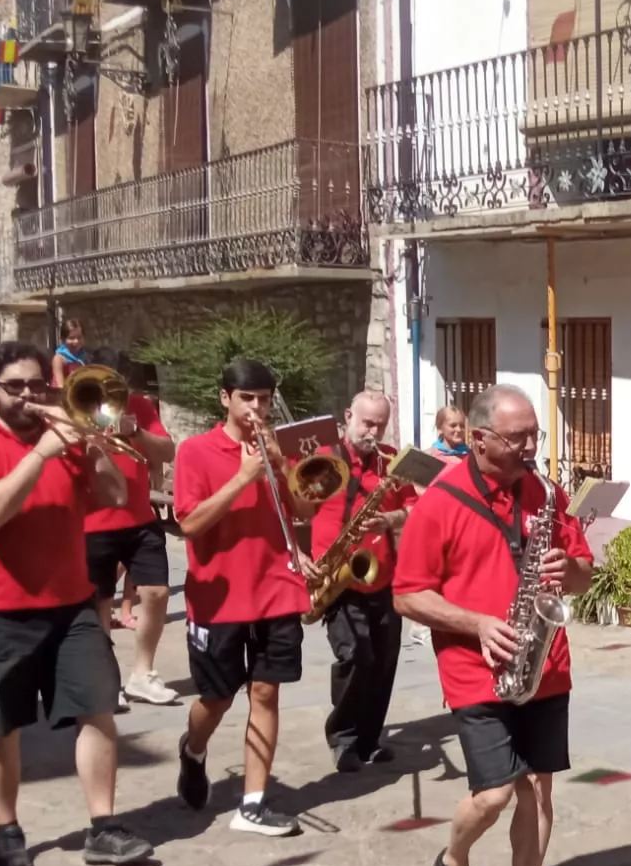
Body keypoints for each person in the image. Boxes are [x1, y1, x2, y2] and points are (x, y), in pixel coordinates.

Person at [0, 341, 152, 866]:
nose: (30, 396)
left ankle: (103, 827)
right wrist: (41, 454)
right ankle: (7, 827)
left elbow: (115, 495)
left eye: (38, 385)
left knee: (98, 708)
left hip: (71, 603)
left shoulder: (68, 440)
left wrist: (92, 441)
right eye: (16, 387)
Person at [396, 384, 592, 866]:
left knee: (537, 787)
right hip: (475, 668)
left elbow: (582, 573)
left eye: (535, 434)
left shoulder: (547, 495)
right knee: (494, 793)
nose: (532, 446)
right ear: (479, 441)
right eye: (518, 437)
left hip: (545, 665)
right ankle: (452, 864)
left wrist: (569, 568)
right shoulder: (440, 501)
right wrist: (477, 624)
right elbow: (408, 595)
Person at [172, 359, 324, 836]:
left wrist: (280, 465)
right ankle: (193, 749)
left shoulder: (275, 450)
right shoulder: (195, 452)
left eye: (263, 399)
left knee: (265, 691)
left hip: (275, 587)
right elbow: (190, 524)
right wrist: (242, 477)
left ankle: (252, 804)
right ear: (226, 399)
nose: (256, 408)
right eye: (247, 399)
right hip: (219, 594)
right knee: (215, 699)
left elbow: (302, 509)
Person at [314, 390, 417, 774]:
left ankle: (370, 739)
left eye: (380, 424)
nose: (373, 431)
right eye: (366, 422)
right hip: (339, 576)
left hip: (384, 575)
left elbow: (413, 507)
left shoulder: (393, 462)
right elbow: (296, 506)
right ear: (347, 416)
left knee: (384, 662)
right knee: (356, 657)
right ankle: (343, 736)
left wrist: (390, 520)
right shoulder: (323, 459)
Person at [80, 348, 178, 706]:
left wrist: (135, 430)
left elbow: (167, 452)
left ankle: (142, 673)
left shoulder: (140, 406)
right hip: (92, 523)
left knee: (157, 593)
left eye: (116, 384)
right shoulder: (77, 406)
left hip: (140, 520)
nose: (109, 391)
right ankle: (107, 678)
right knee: (99, 603)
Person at [51, 317, 87, 389]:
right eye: (71, 338)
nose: (76, 341)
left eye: (79, 337)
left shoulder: (85, 357)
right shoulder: (59, 359)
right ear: (63, 339)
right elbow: (60, 385)